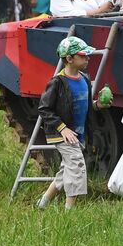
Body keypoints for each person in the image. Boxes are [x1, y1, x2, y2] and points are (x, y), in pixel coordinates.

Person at [35, 36, 99, 209]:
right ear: (69, 59)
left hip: (78, 133)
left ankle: (43, 202)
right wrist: (62, 128)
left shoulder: (85, 80)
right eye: (83, 55)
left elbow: (83, 104)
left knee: (66, 170)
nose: (87, 58)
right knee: (76, 166)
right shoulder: (57, 83)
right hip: (63, 134)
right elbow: (44, 108)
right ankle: (69, 210)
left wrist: (98, 105)